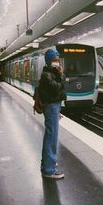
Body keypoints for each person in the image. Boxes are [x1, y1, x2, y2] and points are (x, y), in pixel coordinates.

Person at [38, 49, 66, 179]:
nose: (57, 62)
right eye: (55, 60)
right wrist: (60, 75)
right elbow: (56, 88)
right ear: (49, 61)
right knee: (52, 137)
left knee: (51, 136)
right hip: (51, 107)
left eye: (58, 59)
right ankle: (49, 170)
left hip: (54, 107)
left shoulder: (51, 73)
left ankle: (47, 165)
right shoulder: (47, 75)